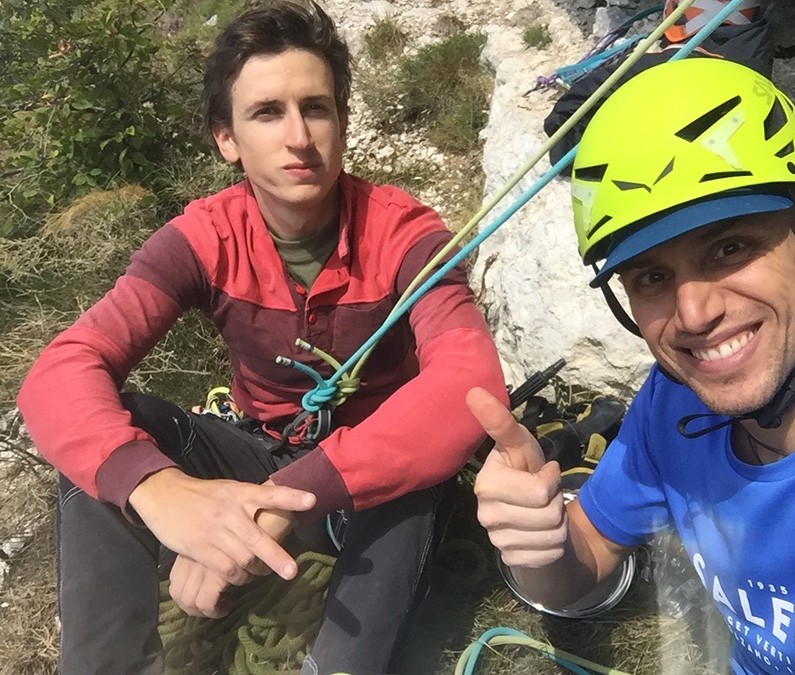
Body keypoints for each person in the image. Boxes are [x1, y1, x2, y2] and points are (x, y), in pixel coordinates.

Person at [17, 2, 507, 674]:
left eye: (317, 108)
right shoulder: (204, 238)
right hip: (257, 453)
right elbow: (63, 370)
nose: (299, 137)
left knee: (413, 485)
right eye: (267, 113)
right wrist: (159, 488)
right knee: (117, 428)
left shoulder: (405, 234)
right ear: (227, 138)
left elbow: (467, 385)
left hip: (368, 483)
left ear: (342, 121)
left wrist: (285, 501)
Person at [468, 56, 795, 674]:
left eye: (730, 247)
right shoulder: (672, 407)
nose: (694, 313)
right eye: (651, 276)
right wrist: (543, 545)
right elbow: (585, 559)